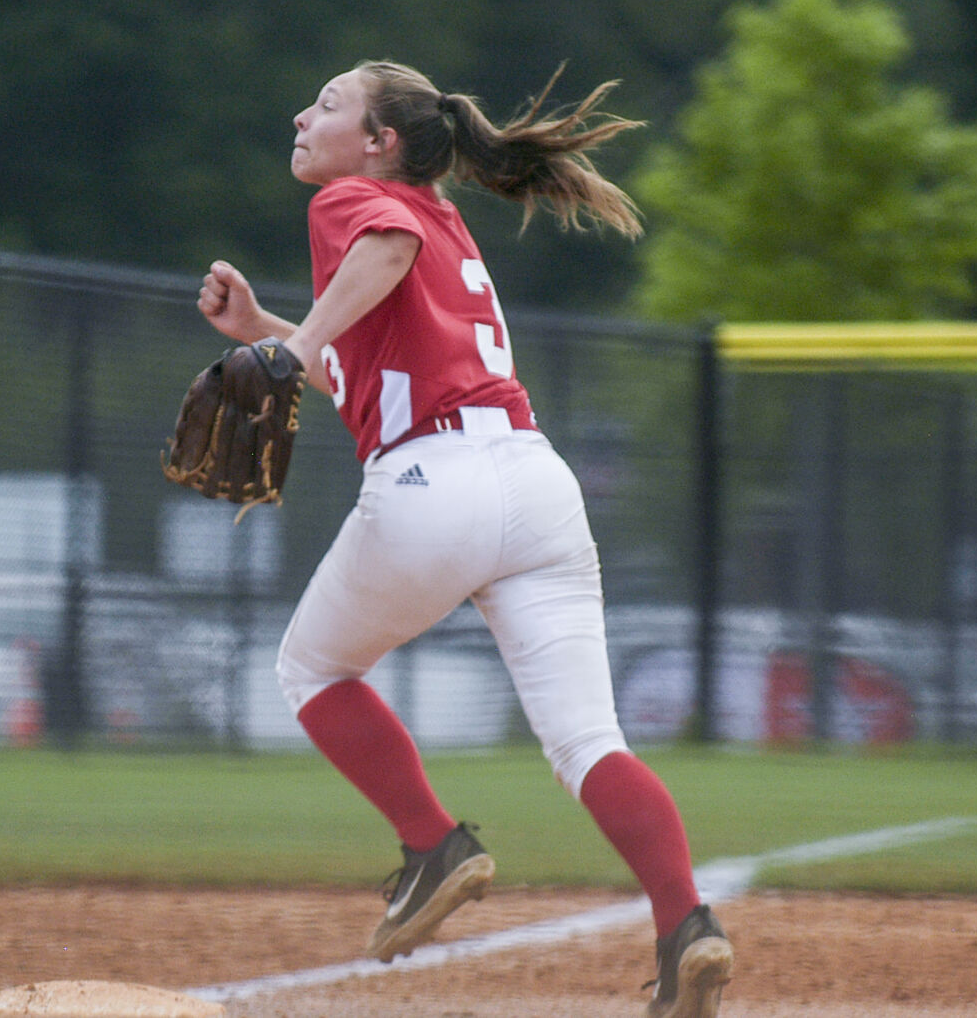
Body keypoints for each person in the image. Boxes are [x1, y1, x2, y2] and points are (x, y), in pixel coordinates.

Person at [193, 60, 733, 1017]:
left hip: (432, 487)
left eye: (325, 104)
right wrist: (270, 326)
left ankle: (434, 843)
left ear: (379, 142)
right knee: (587, 741)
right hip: (532, 480)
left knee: (312, 671)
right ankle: (687, 922)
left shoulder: (365, 204)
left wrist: (297, 343)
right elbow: (375, 381)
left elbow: (385, 246)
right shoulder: (444, 221)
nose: (299, 112)